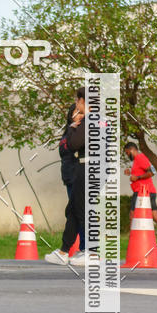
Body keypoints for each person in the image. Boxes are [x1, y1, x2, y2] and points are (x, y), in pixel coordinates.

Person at [45, 87, 90, 266]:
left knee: (81, 210)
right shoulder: (97, 120)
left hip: (87, 168)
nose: (77, 107)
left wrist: (73, 127)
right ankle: (64, 251)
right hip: (81, 169)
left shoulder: (90, 121)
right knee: (73, 210)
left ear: (83, 101)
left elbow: (73, 144)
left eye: (78, 102)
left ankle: (90, 251)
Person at [124, 142, 157, 236]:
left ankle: (132, 237)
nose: (127, 155)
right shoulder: (137, 160)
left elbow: (152, 172)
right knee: (155, 215)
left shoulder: (140, 158)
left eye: (127, 153)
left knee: (132, 213)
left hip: (142, 191)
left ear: (132, 150)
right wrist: (130, 173)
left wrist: (137, 178)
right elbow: (139, 173)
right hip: (149, 191)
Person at [59, 101, 85, 251]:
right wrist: (71, 131)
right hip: (71, 178)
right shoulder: (69, 132)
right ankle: (71, 249)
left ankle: (86, 249)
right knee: (74, 212)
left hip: (81, 177)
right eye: (77, 112)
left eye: (81, 112)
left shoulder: (84, 130)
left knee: (79, 212)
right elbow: (64, 150)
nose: (80, 115)